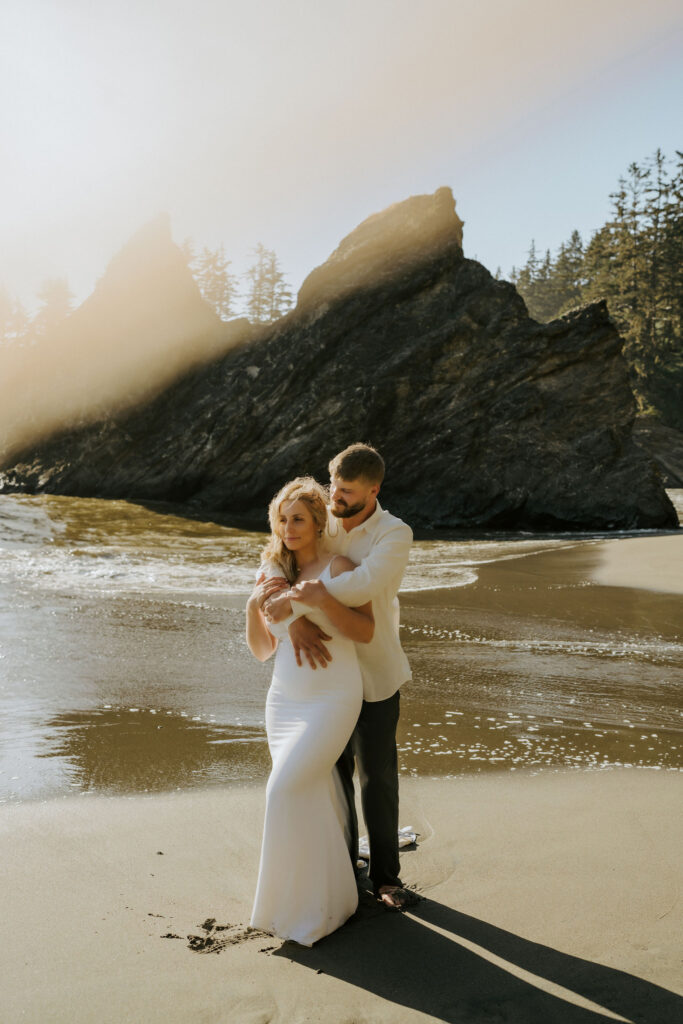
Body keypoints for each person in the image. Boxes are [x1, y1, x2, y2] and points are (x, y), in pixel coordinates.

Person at [263, 444, 413, 911]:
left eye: (346, 492)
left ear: (374, 490)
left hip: (373, 670)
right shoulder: (323, 521)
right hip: (325, 678)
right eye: (332, 486)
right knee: (332, 778)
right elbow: (277, 565)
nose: (335, 498)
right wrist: (291, 619)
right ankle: (342, 870)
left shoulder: (394, 533)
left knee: (377, 778)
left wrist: (301, 600)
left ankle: (386, 879)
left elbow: (361, 585)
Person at [246, 476, 374, 946]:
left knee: (282, 791)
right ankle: (326, 901)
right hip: (284, 699)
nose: (288, 527)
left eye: (298, 518)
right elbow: (262, 649)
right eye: (282, 518)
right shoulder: (270, 573)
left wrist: (314, 603)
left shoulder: (339, 566)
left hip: (332, 697)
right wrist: (253, 607)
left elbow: (364, 632)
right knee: (308, 796)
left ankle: (309, 910)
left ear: (319, 522)